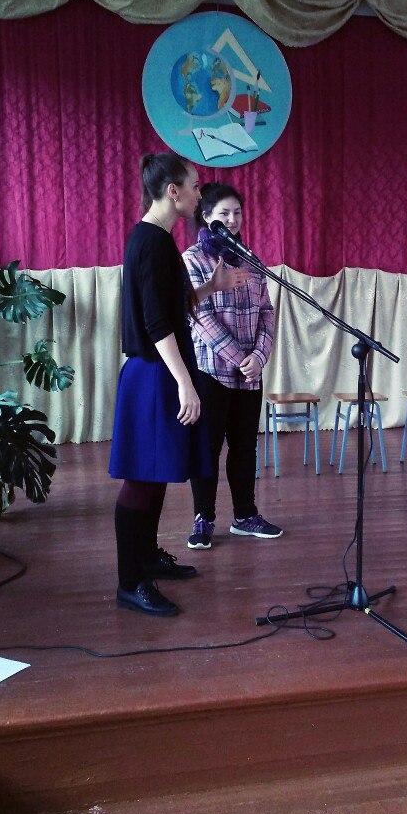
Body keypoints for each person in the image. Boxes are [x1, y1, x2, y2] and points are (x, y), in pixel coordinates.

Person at [108, 153, 248, 615]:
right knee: (141, 479)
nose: (199, 193)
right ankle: (130, 583)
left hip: (160, 372)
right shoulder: (150, 241)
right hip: (155, 373)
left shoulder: (158, 238)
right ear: (173, 191)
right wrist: (186, 384)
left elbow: (172, 305)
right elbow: (156, 324)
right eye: (194, 185)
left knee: (157, 473)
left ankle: (147, 558)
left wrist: (212, 287)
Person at [182, 182, 281, 549]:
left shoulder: (252, 259)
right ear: (206, 216)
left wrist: (260, 356)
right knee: (207, 448)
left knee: (244, 448)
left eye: (237, 213)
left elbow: (267, 312)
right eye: (224, 213)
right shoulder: (193, 259)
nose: (232, 220)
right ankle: (203, 519)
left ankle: (245, 516)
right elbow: (198, 317)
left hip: (250, 374)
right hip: (211, 371)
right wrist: (241, 359)